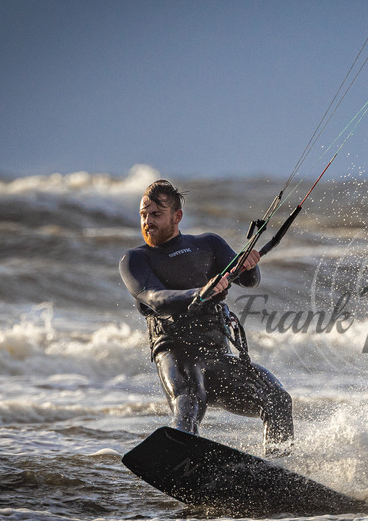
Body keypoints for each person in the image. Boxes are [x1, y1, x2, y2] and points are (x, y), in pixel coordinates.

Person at [119, 179, 293, 457]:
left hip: (215, 355)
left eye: (156, 214)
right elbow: (155, 298)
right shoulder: (136, 260)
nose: (147, 221)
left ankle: (277, 467)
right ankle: (180, 462)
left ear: (177, 216)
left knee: (277, 399)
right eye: (143, 214)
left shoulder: (208, 244)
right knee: (188, 402)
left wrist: (248, 264)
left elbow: (248, 280)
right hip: (176, 353)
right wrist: (199, 292)